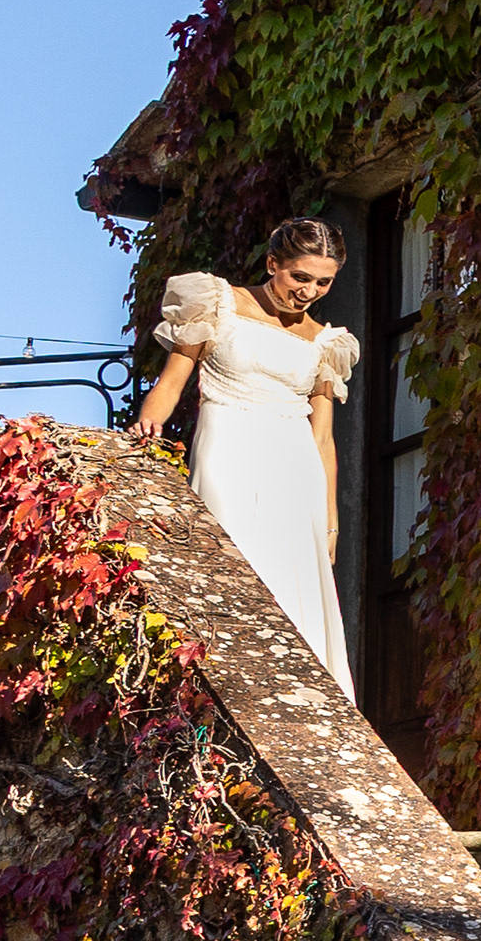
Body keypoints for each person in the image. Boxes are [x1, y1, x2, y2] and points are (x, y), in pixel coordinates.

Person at [132, 220, 359, 697]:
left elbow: (322, 439)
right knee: (229, 558)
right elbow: (172, 382)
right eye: (300, 277)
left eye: (323, 283)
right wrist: (146, 430)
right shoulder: (217, 303)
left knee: (293, 581)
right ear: (273, 263)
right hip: (227, 443)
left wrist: (331, 523)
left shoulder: (325, 341)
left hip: (295, 466)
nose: (309, 292)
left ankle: (292, 692)